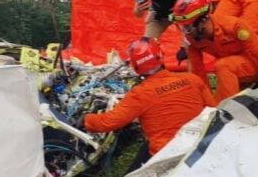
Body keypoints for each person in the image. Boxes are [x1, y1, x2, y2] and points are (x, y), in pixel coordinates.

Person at [84, 37, 215, 168]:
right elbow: (214, 110)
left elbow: (108, 122)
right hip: (202, 146)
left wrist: (86, 120)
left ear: (135, 66)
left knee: (151, 146)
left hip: (167, 156)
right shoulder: (192, 79)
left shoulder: (140, 94)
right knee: (146, 148)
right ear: (161, 55)